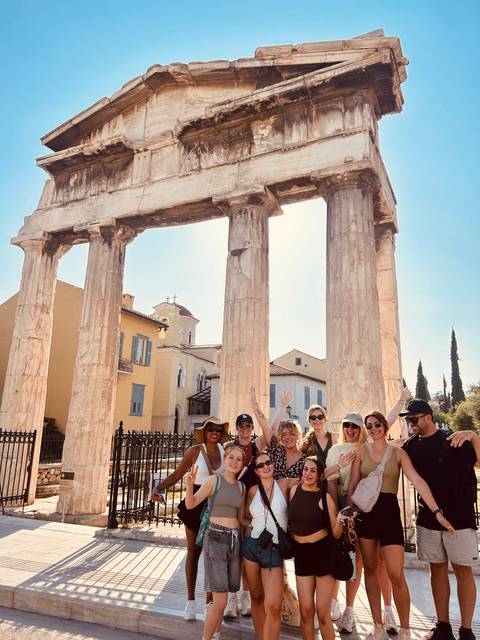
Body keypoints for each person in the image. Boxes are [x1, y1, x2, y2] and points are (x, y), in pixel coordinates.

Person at [348, 410, 456, 640]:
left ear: (385, 426)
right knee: (370, 570)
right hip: (365, 515)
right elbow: (353, 486)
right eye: (370, 425)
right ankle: (377, 626)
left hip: (389, 515)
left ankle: (406, 629)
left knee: (396, 574)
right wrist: (348, 513)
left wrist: (436, 511)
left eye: (378, 424)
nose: (374, 428)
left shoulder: (398, 453)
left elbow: (417, 480)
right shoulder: (360, 452)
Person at [327, 387, 412, 633]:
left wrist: (399, 401)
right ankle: (350, 611)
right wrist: (340, 513)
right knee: (358, 564)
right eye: (347, 426)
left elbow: (386, 421)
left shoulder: (367, 446)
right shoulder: (336, 450)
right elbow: (329, 479)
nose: (351, 430)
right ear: (342, 428)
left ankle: (389, 613)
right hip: (352, 510)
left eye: (355, 426)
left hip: (374, 510)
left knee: (383, 565)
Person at [400, 399, 480, 640]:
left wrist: (475, 437)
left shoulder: (453, 439)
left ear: (428, 417)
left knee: (463, 571)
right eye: (408, 420)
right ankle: (443, 627)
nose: (410, 423)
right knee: (436, 570)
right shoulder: (410, 447)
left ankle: (466, 630)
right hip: (428, 518)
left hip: (460, 518)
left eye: (413, 419)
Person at [150, 416, 228, 621]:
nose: (215, 432)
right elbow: (177, 475)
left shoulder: (225, 451)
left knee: (213, 556)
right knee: (193, 552)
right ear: (204, 431)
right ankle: (190, 602)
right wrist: (157, 488)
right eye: (211, 428)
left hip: (216, 504)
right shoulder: (194, 452)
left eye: (219, 429)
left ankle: (210, 603)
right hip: (195, 502)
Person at [185, 444, 247, 640]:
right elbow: (191, 504)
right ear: (225, 459)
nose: (235, 462)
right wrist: (189, 485)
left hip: (234, 540)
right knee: (220, 600)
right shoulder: (214, 481)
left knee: (223, 597)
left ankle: (216, 635)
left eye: (239, 459)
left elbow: (242, 518)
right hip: (216, 538)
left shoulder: (241, 487)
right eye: (231, 458)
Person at [289, 456, 348, 640]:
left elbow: (336, 534)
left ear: (320, 475)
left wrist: (340, 521)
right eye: (305, 469)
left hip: (323, 555)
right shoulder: (293, 491)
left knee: (322, 614)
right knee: (305, 612)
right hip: (301, 555)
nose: (308, 473)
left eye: (312, 470)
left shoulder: (325, 498)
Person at [241, 451, 289, 640]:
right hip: (252, 547)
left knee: (274, 605)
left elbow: (312, 476)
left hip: (274, 549)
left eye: (268, 462)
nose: (266, 466)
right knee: (257, 598)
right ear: (256, 471)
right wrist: (253, 526)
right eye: (261, 465)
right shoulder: (252, 490)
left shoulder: (284, 484)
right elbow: (244, 518)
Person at [224, 412, 258, 618]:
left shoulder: (256, 448)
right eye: (242, 426)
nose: (245, 429)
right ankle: (231, 598)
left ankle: (246, 596)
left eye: (248, 426)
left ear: (253, 429)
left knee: (246, 552)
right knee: (231, 552)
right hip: (231, 502)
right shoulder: (229, 448)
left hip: (250, 505)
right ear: (237, 428)